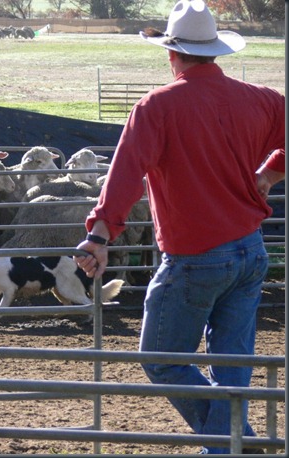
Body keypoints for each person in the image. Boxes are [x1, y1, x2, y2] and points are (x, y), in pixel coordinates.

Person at [74, 0, 285, 454]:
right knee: (233, 363)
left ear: (172, 53)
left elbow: (125, 174)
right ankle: (233, 443)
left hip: (195, 256)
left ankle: (235, 442)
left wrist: (99, 236)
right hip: (250, 250)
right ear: (214, 51)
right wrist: (269, 173)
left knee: (161, 359)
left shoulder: (157, 107)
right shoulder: (261, 100)